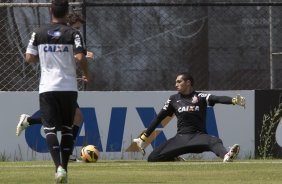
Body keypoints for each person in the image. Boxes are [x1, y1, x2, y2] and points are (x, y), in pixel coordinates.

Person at [25, 0, 89, 183]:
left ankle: (58, 169)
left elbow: (29, 57)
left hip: (47, 87)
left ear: (50, 10)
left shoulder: (38, 32)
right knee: (68, 129)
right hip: (68, 87)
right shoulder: (74, 33)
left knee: (50, 129)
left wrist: (45, 58)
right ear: (66, 11)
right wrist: (87, 73)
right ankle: (65, 169)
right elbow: (79, 57)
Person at [133, 72, 245, 162]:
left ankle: (227, 155)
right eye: (176, 82)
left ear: (188, 83)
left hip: (198, 137)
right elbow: (159, 118)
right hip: (180, 138)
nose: (176, 84)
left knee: (215, 141)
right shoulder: (173, 99)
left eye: (179, 81)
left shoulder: (200, 96)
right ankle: (173, 158)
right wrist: (144, 137)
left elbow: (217, 98)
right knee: (153, 158)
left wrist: (234, 100)